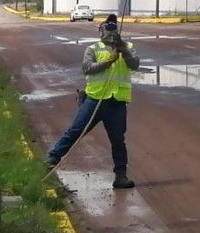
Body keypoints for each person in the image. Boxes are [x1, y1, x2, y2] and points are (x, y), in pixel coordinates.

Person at [45, 13, 140, 188]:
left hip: (117, 102)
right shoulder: (93, 49)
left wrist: (122, 49)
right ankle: (52, 158)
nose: (110, 31)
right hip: (94, 101)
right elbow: (87, 69)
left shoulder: (127, 47)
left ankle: (121, 177)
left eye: (113, 28)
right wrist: (108, 61)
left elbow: (134, 64)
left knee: (118, 141)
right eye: (107, 27)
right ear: (100, 30)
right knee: (75, 130)